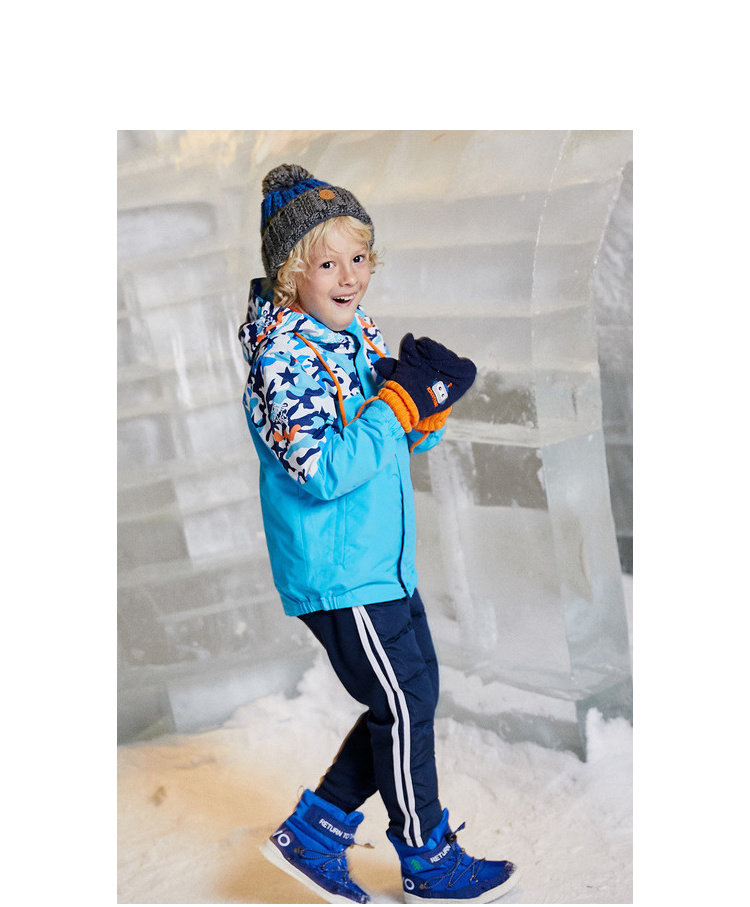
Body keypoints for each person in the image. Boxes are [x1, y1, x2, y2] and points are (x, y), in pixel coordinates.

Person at [238, 163, 519, 904]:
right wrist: (395, 406)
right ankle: (426, 856)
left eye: (359, 257)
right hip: (338, 570)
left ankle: (316, 831)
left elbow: (382, 440)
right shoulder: (282, 359)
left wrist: (423, 413)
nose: (350, 276)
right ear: (289, 274)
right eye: (327, 263)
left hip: (381, 560)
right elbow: (323, 469)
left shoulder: (352, 333)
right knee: (402, 702)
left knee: (412, 694)